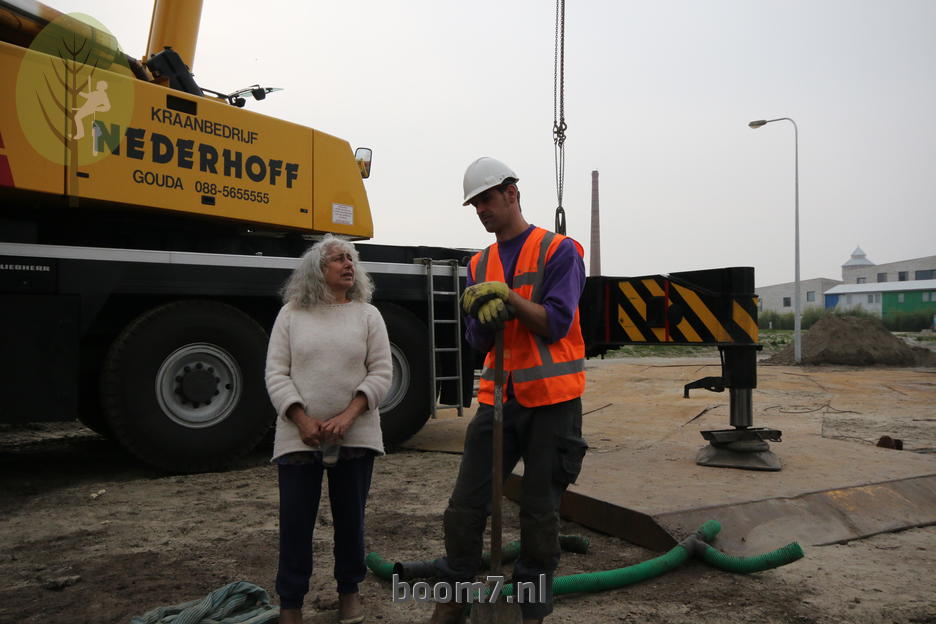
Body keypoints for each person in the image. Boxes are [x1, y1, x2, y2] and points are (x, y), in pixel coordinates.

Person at [429, 157, 588, 624]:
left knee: (539, 513)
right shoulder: (479, 262)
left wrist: (511, 301)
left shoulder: (560, 251)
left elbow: (557, 322)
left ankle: (530, 610)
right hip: (497, 399)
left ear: (512, 193)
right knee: (465, 505)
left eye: (487, 199)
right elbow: (476, 341)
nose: (481, 210)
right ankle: (454, 596)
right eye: (475, 203)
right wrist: (482, 317)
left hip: (553, 404)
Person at [265, 234, 392, 624]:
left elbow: (382, 373)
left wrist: (348, 416)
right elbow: (275, 373)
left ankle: (349, 594)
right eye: (338, 258)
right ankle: (291, 604)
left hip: (354, 436)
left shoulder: (368, 315)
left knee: (350, 520)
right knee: (295, 524)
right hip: (298, 437)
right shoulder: (290, 314)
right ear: (318, 270)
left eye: (351, 257)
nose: (348, 264)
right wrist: (301, 419)